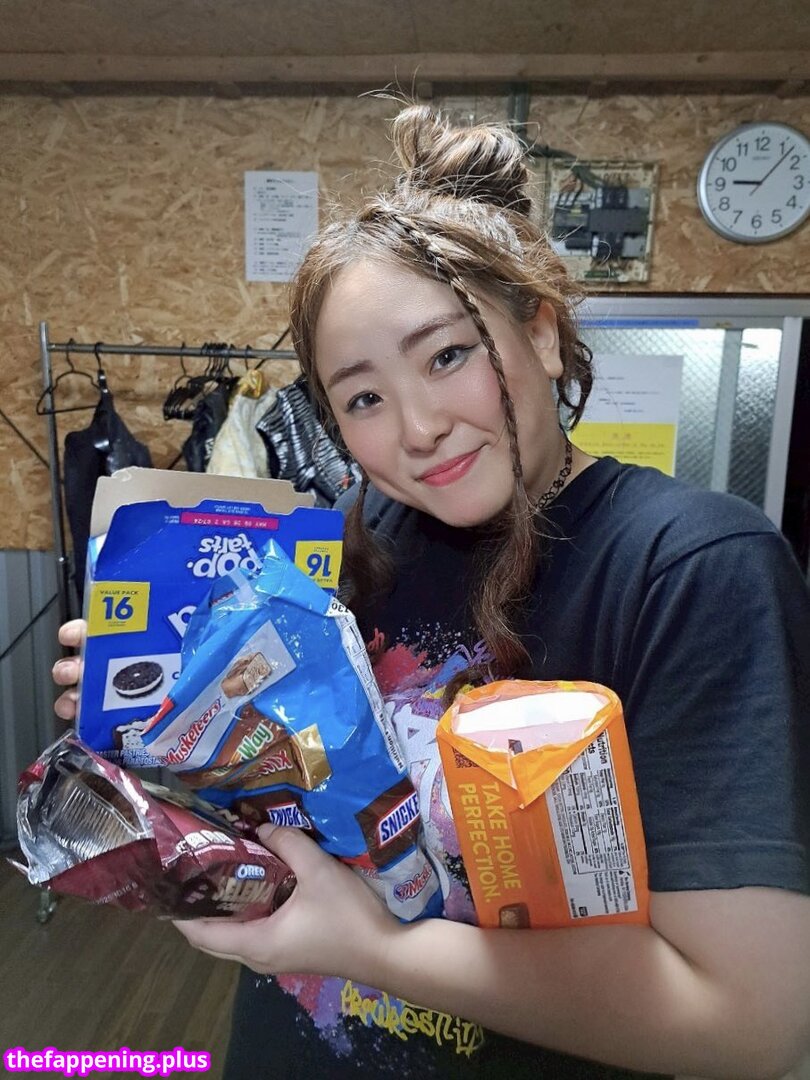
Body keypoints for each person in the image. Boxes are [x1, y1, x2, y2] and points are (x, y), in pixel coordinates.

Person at [53, 104, 810, 1079]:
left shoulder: (693, 568)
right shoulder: (346, 546)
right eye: (364, 397)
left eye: (448, 355)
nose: (417, 429)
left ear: (541, 333)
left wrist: (371, 948)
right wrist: (162, 717)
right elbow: (278, 810)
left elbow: (750, 1022)